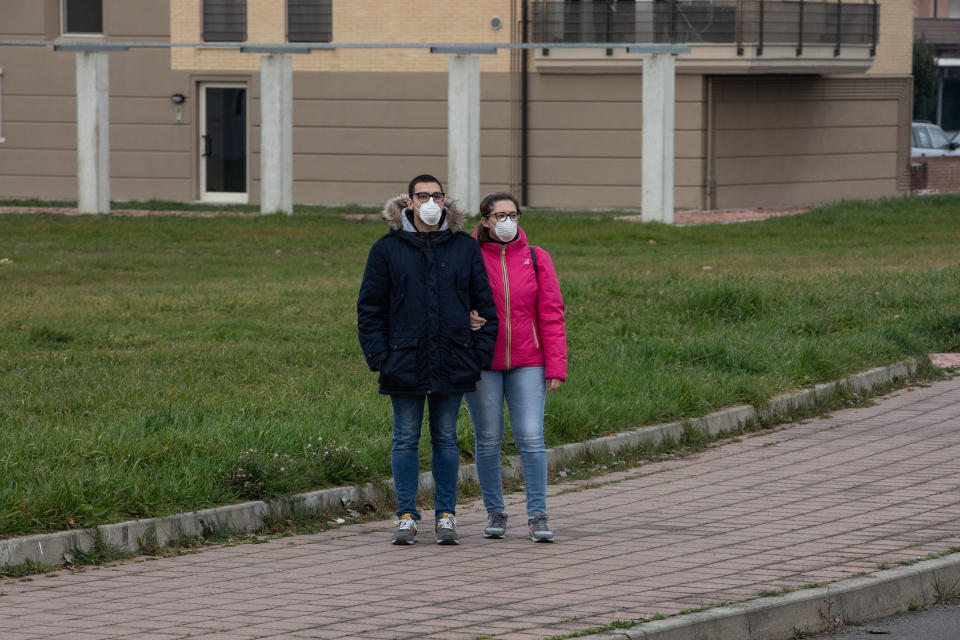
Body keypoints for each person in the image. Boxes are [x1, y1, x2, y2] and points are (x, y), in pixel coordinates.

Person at [357, 174, 498, 545]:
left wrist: (478, 354)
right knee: (405, 439)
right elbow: (369, 309)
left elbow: (485, 306)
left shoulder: (463, 248)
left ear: (446, 202)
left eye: (438, 195)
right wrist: (380, 358)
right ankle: (406, 516)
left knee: (446, 439)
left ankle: (446, 515)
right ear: (409, 202)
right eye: (423, 196)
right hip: (403, 360)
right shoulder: (386, 249)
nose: (431, 202)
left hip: (453, 358)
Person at [465, 192, 567, 542]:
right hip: (483, 362)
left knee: (530, 437)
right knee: (489, 438)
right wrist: (465, 318)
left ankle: (537, 515)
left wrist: (555, 365)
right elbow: (451, 300)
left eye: (513, 214)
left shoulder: (537, 258)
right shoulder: (470, 256)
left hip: (529, 361)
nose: (507, 221)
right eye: (499, 215)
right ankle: (495, 512)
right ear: (485, 220)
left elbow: (551, 313)